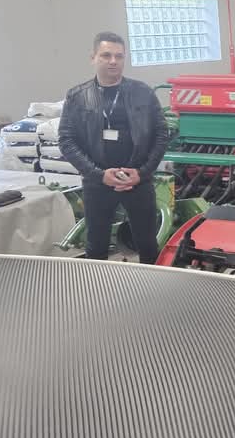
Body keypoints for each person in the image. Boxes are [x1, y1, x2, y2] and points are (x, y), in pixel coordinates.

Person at [59, 32, 169, 264]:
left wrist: (142, 173)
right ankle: (99, 286)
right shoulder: (78, 96)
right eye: (106, 55)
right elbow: (67, 141)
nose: (113, 61)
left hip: (137, 180)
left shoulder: (143, 93)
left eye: (119, 56)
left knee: (148, 245)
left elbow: (161, 135)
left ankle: (154, 285)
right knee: (96, 246)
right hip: (98, 183)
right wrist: (99, 175)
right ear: (93, 57)